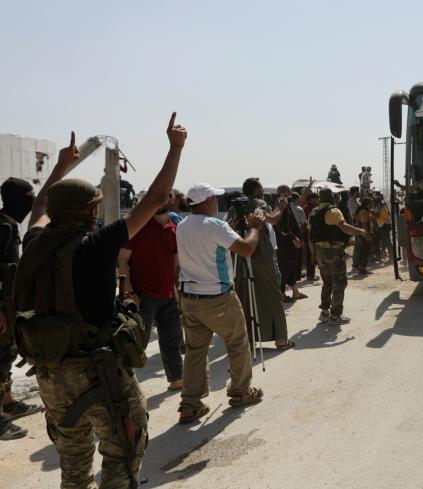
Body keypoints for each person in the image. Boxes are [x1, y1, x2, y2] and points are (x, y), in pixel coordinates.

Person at [14, 114, 186, 487]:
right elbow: (157, 198)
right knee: (124, 452)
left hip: (51, 373)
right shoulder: (96, 247)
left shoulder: (35, 243)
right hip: (96, 371)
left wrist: (60, 166)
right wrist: (175, 149)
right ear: (91, 212)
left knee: (73, 464)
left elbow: (40, 208)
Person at [176, 182, 266, 424]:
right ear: (206, 202)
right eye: (214, 199)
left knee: (195, 351)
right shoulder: (216, 225)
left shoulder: (182, 226)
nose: (217, 203)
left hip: (189, 297)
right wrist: (255, 228)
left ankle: (190, 404)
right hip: (217, 297)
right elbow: (246, 249)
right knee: (237, 342)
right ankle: (240, 391)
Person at [118, 194, 184, 391]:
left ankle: (176, 379)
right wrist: (130, 292)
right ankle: (123, 386)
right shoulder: (138, 227)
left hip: (168, 295)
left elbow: (175, 265)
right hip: (143, 296)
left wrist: (177, 291)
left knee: (171, 340)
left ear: (171, 199)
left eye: (164, 197)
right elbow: (122, 261)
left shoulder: (173, 227)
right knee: (137, 344)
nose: (160, 201)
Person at [228, 178, 293, 350]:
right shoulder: (260, 203)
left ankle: (248, 339)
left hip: (240, 252)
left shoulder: (236, 206)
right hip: (260, 252)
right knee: (272, 293)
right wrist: (281, 207)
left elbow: (228, 226)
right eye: (261, 186)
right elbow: (271, 219)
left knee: (244, 296)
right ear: (256, 189)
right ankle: (281, 339)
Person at [0, 178, 42, 440]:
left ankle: (7, 402)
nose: (31, 203)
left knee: (6, 355)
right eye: (29, 197)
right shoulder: (2, 228)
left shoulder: (8, 226)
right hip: (1, 308)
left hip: (8, 305)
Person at [309, 188, 368, 324]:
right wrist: (359, 231)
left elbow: (310, 237)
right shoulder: (333, 211)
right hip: (333, 251)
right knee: (339, 283)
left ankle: (324, 312)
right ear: (331, 198)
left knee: (327, 282)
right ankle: (335, 316)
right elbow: (344, 227)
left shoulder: (313, 213)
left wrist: (313, 254)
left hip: (319, 251)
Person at [275, 186, 306, 302]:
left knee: (291, 268)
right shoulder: (280, 206)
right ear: (283, 193)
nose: (290, 194)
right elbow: (282, 226)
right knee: (284, 270)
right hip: (285, 245)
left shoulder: (285, 205)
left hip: (290, 246)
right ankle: (281, 294)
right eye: (288, 192)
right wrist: (293, 238)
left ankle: (295, 292)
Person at [354, 197, 374, 274]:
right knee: (364, 251)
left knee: (365, 251)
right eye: (371, 203)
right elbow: (364, 224)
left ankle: (362, 267)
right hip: (363, 234)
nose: (373, 204)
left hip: (364, 234)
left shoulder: (366, 211)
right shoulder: (363, 212)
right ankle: (362, 267)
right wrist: (367, 235)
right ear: (368, 204)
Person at [303, 192, 320, 280]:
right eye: (317, 199)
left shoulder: (309, 207)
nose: (318, 201)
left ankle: (310, 274)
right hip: (309, 233)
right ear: (312, 199)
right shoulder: (309, 208)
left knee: (311, 253)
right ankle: (310, 275)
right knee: (311, 253)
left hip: (309, 232)